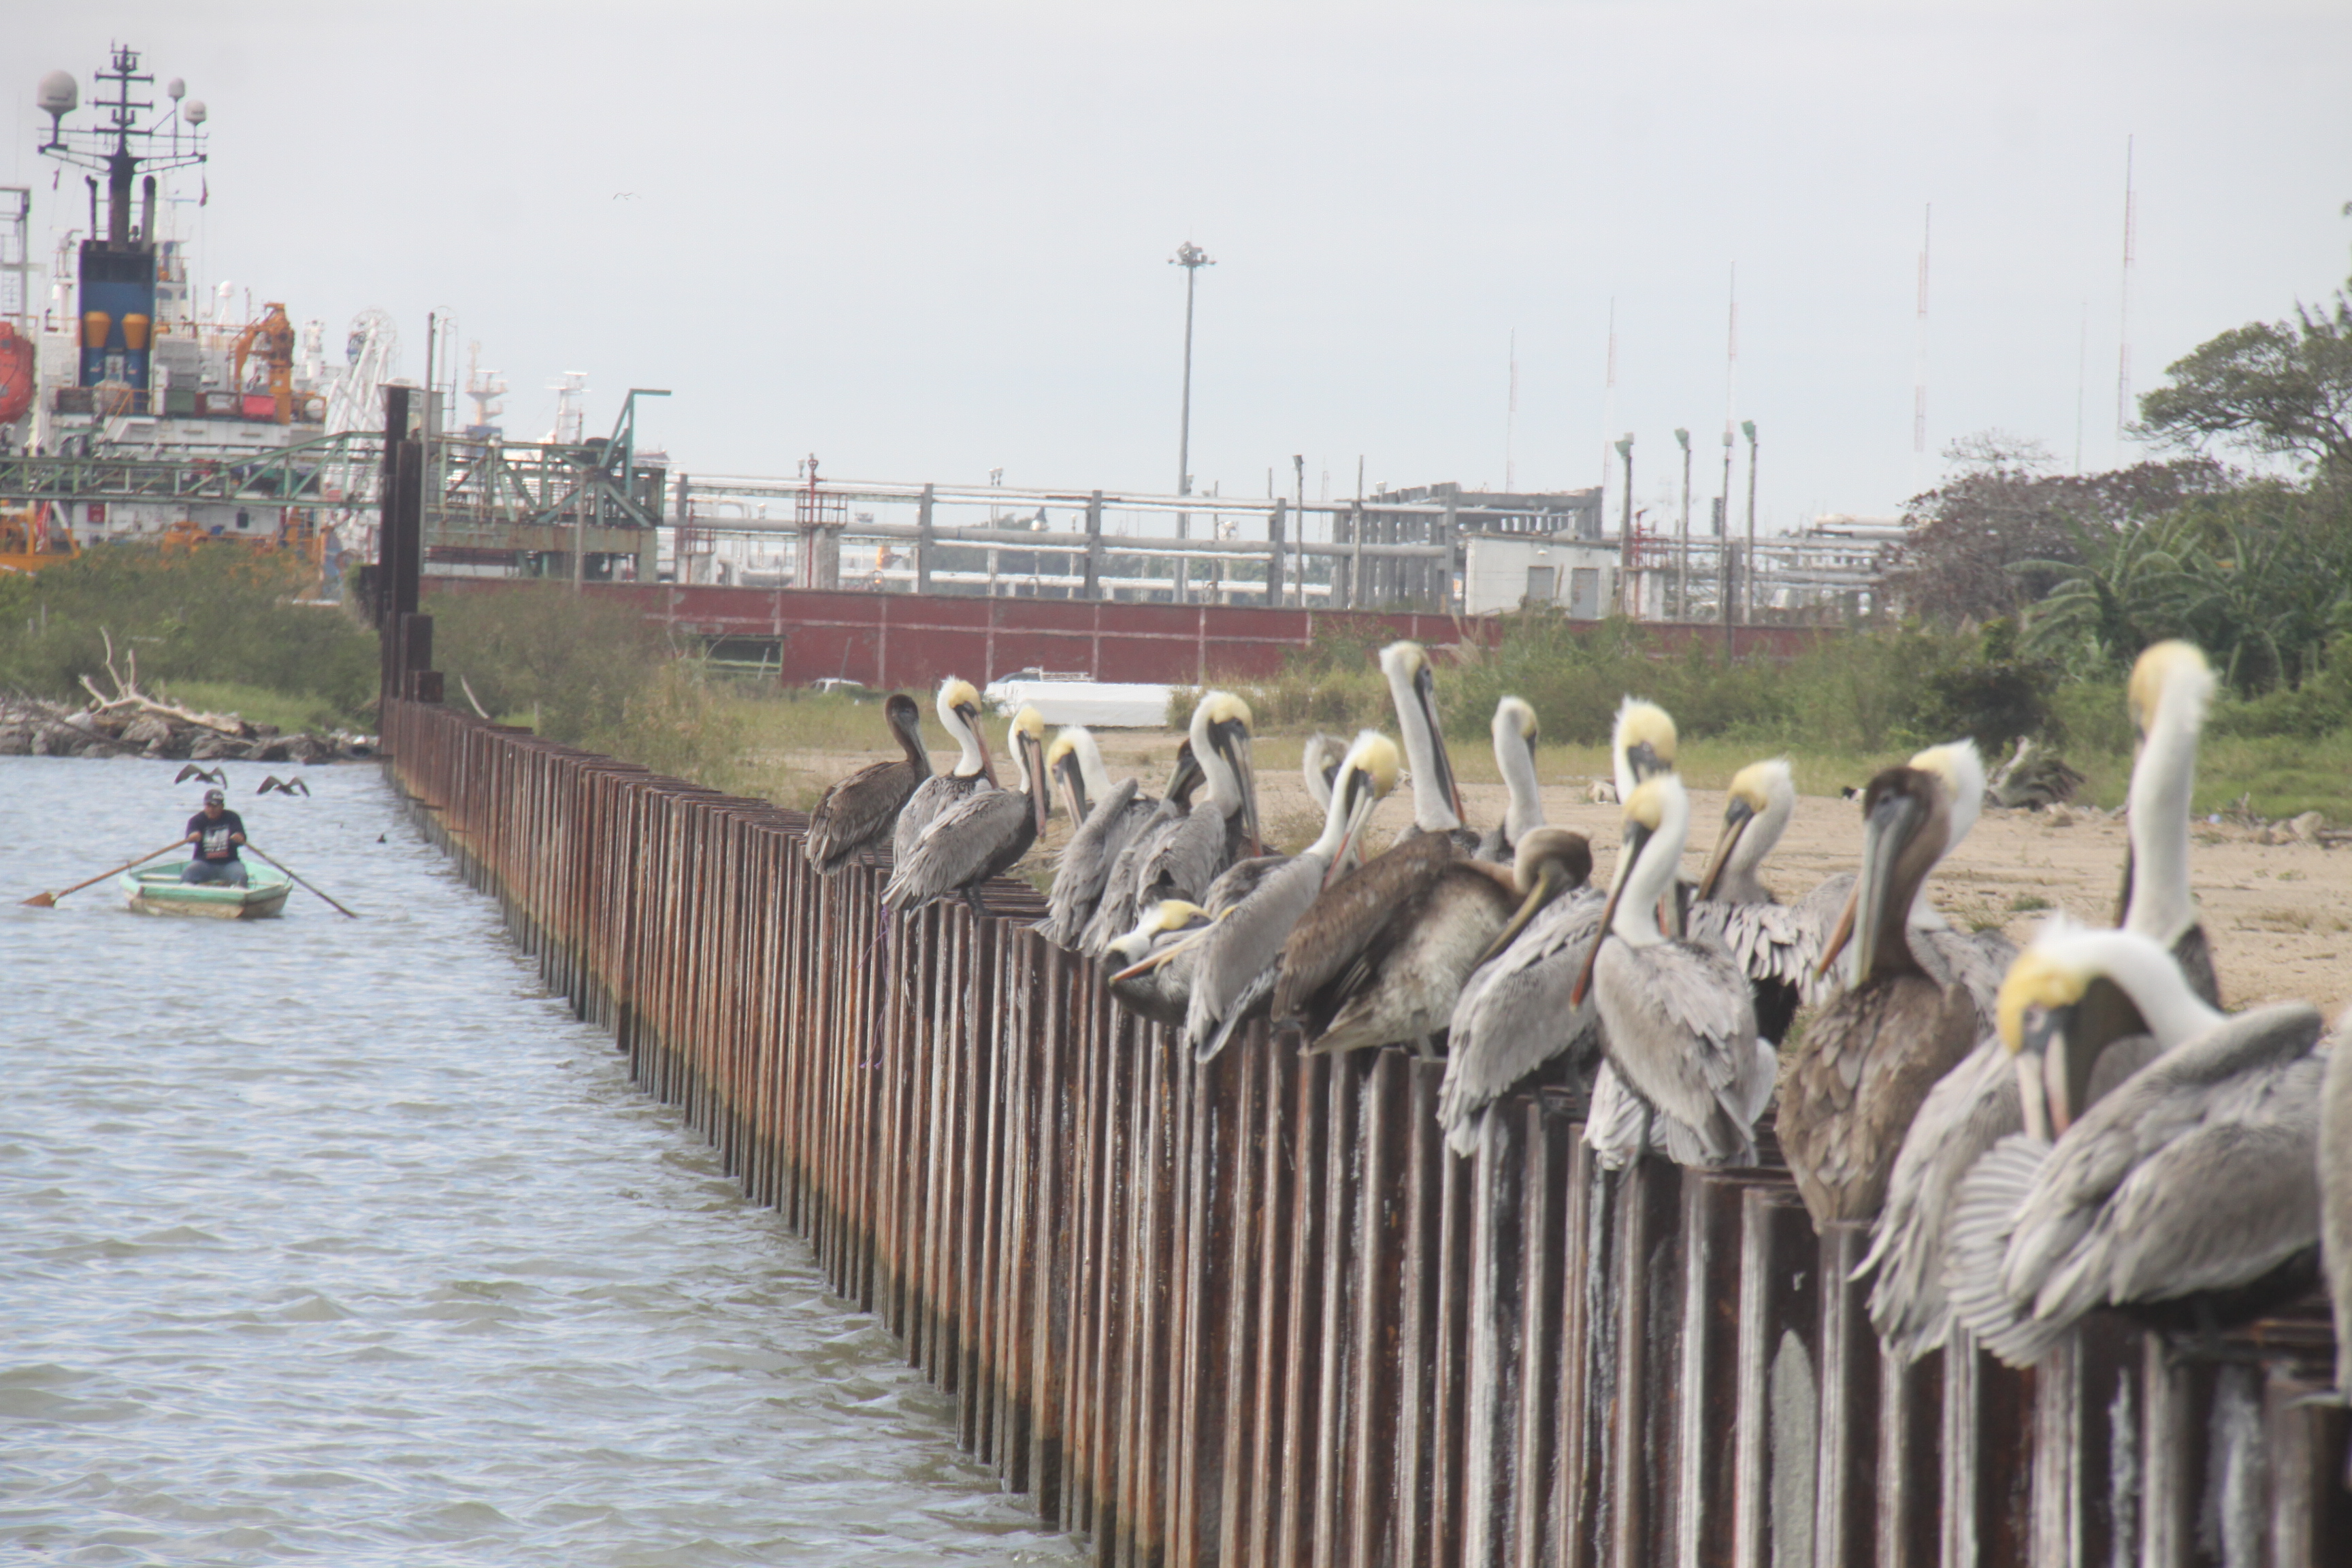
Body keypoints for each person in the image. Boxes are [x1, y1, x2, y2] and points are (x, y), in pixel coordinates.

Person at [182, 789, 250, 886]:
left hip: (229, 864)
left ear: (222, 806)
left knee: (241, 874)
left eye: (215, 806)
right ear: (204, 806)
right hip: (204, 863)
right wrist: (193, 836)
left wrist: (239, 838)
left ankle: (239, 892)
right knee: (190, 871)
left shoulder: (233, 818)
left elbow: (241, 837)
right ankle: (186, 891)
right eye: (208, 806)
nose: (211, 809)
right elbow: (191, 835)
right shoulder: (196, 820)